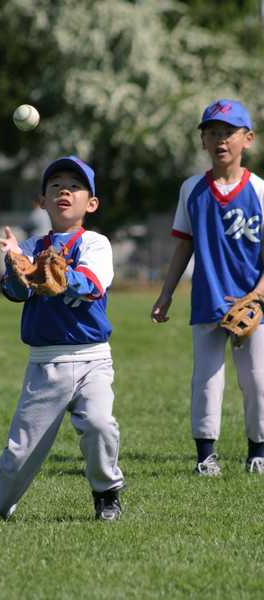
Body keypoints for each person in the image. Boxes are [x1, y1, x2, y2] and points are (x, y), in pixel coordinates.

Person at [0, 155, 125, 520]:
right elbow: (16, 293)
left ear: (91, 203)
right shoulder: (29, 248)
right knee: (21, 450)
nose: (64, 192)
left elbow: (92, 285)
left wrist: (60, 275)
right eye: (55, 186)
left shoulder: (95, 243)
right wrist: (15, 267)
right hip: (46, 362)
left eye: (74, 186)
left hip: (92, 358)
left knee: (99, 425)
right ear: (42, 201)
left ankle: (106, 493)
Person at [151, 99, 264, 476]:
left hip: (254, 303)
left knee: (257, 380)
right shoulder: (192, 189)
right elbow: (184, 245)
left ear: (248, 139)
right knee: (207, 379)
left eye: (229, 132)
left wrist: (257, 295)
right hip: (208, 298)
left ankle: (258, 451)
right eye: (212, 132)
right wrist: (166, 293)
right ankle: (205, 456)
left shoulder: (260, 191)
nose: (220, 140)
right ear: (202, 141)